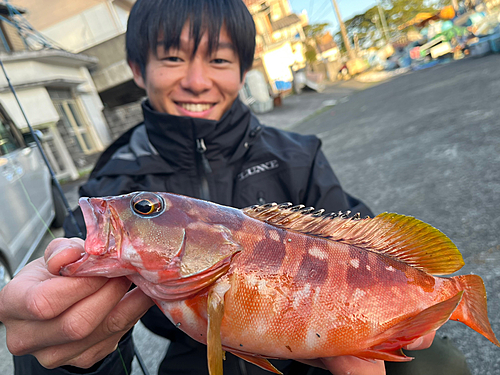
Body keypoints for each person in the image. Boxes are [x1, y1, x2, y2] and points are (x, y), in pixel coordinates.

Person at [0, 0, 468, 374]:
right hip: (193, 357)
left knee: (438, 366)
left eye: (219, 59)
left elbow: (355, 242)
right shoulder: (111, 185)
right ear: (137, 70)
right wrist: (63, 351)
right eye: (173, 58)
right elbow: (77, 326)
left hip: (326, 349)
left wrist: (408, 312)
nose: (197, 80)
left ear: (243, 70)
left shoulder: (299, 155)